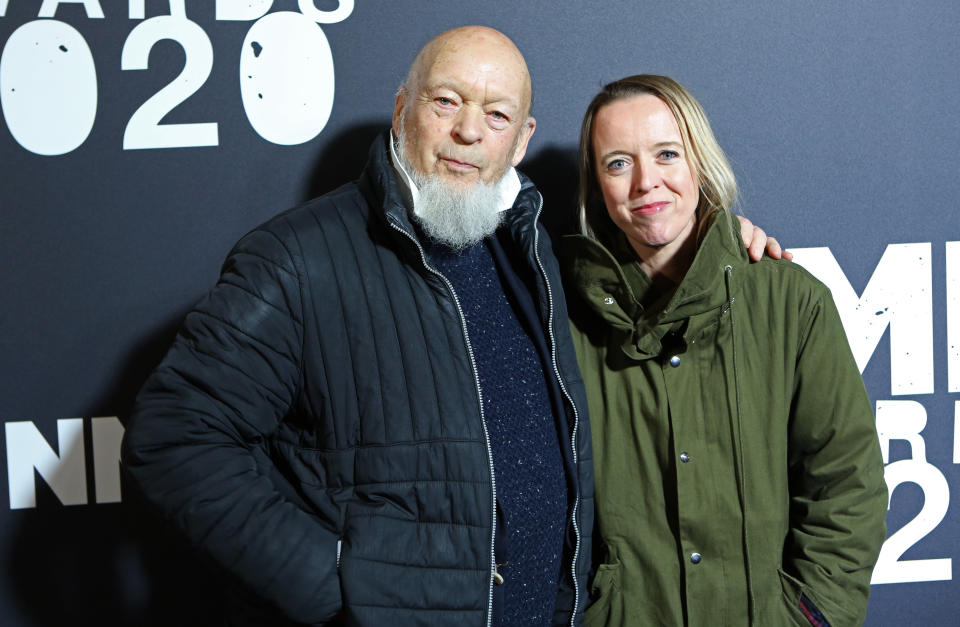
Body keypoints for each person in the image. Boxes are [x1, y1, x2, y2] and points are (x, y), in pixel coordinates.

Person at [122, 28, 781, 626]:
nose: (470, 131)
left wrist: (724, 243)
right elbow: (174, 436)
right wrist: (336, 588)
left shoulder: (536, 252)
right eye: (446, 102)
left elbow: (655, 262)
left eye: (496, 115)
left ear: (520, 140)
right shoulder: (299, 258)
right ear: (403, 108)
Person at [561, 74, 888, 627]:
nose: (646, 182)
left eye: (667, 154)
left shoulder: (790, 301)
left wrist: (812, 617)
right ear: (596, 185)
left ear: (699, 162)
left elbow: (845, 482)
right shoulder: (561, 321)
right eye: (618, 163)